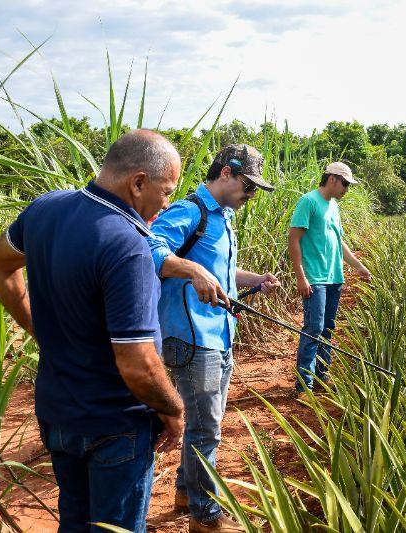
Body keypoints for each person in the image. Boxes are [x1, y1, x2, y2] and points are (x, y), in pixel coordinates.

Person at [0, 130, 185, 532]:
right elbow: (139, 366)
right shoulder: (129, 245)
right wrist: (174, 411)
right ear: (138, 181)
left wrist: (37, 328)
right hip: (115, 425)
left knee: (73, 522)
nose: (168, 203)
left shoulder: (44, 210)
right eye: (166, 190)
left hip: (58, 416)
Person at [147, 144, 280, 533]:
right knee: (207, 429)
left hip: (219, 334)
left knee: (205, 425)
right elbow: (148, 248)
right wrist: (191, 270)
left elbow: (221, 272)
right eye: (248, 185)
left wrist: (254, 280)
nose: (251, 194)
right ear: (225, 174)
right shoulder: (189, 212)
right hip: (191, 338)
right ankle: (205, 517)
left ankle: (187, 492)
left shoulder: (223, 219)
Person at [289, 161, 371, 393]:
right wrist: (300, 277)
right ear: (332, 178)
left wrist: (358, 266)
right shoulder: (309, 202)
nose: (346, 189)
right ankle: (304, 385)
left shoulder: (334, 206)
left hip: (335, 276)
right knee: (313, 328)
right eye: (345, 183)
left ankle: (322, 375)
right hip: (315, 277)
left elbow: (339, 242)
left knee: (328, 328)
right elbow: (293, 239)